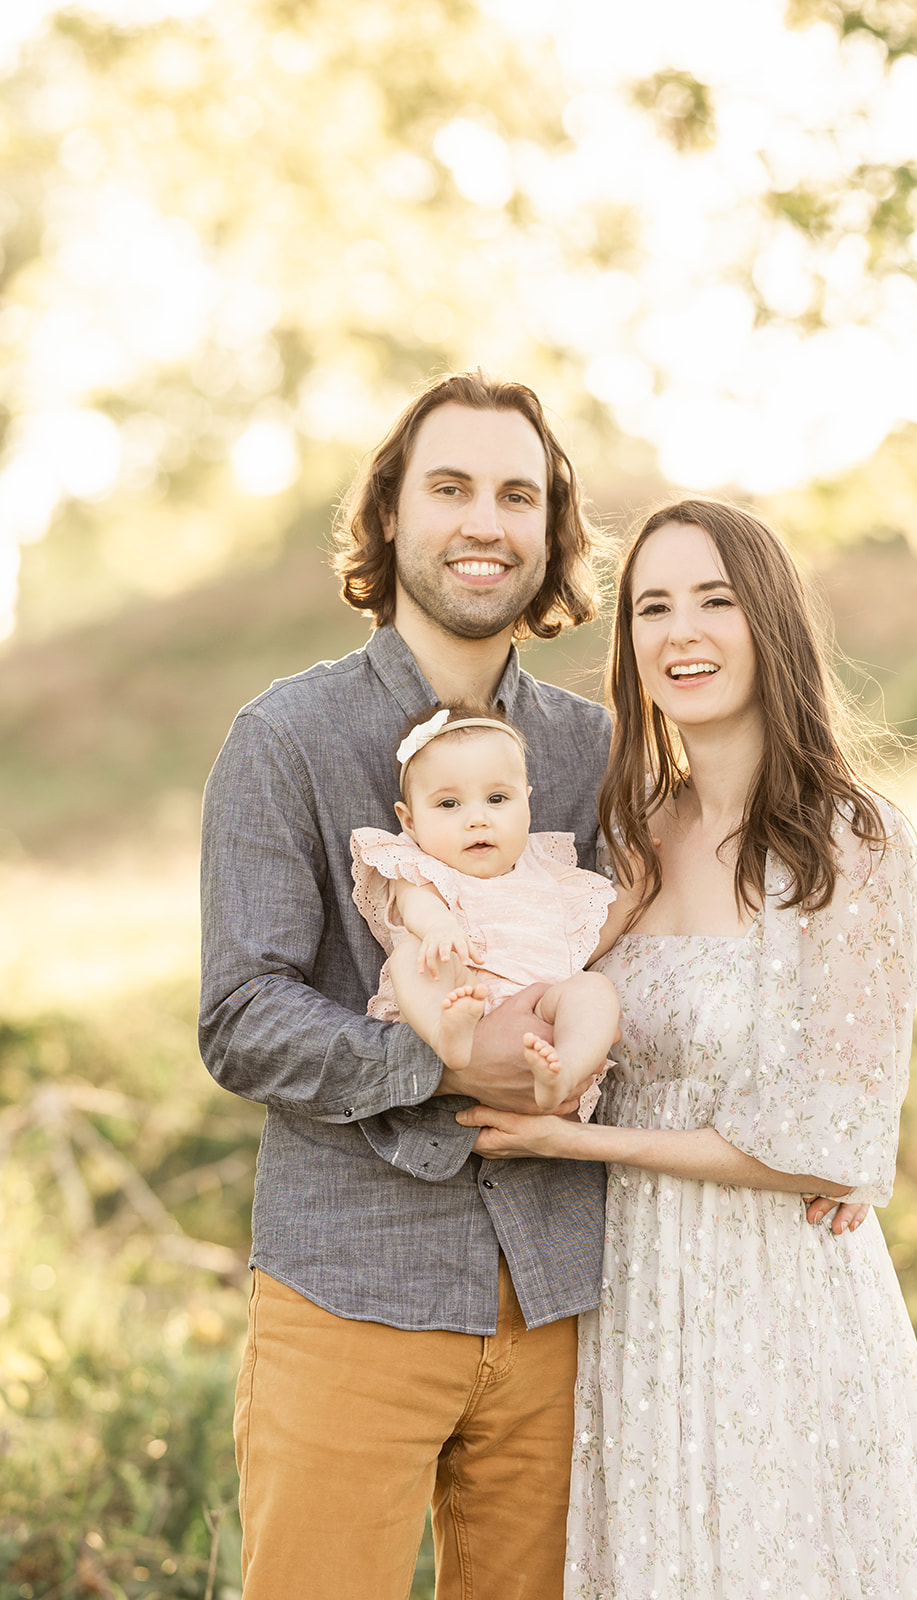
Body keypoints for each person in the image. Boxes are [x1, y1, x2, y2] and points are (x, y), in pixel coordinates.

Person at [458, 500, 917, 1599]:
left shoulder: (854, 842)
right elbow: (521, 1002)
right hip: (631, 1306)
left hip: (781, 1296)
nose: (679, 632)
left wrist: (576, 1141)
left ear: (771, 624)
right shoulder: (624, 838)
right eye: (651, 605)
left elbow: (828, 1145)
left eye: (714, 599)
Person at [198, 371, 615, 1599]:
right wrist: (437, 1054)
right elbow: (240, 1016)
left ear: (548, 535)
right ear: (389, 515)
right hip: (350, 1286)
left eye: (515, 495)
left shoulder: (594, 751)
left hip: (561, 1299)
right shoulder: (284, 739)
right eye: (449, 487)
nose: (483, 521)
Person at [350, 704, 620, 1111]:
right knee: (415, 953)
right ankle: (447, 1035)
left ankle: (565, 1069)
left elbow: (588, 931)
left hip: (542, 1011)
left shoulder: (548, 869)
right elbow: (415, 903)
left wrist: (640, 889)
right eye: (448, 804)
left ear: (526, 802)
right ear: (409, 821)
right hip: (459, 988)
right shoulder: (421, 867)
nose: (477, 819)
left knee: (593, 990)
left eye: (497, 798)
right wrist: (440, 928)